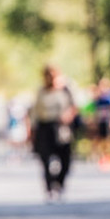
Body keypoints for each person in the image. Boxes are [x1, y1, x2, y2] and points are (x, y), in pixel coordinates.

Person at [30, 64, 79, 202]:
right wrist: (32, 130)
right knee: (45, 159)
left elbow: (74, 107)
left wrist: (67, 116)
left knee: (66, 159)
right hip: (44, 127)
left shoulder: (65, 90)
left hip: (61, 127)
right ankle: (49, 186)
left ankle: (59, 183)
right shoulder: (41, 91)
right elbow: (35, 111)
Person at [88, 77, 110, 171]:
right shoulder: (97, 98)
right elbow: (93, 110)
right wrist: (93, 121)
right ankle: (101, 158)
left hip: (109, 121)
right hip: (100, 121)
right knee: (99, 140)